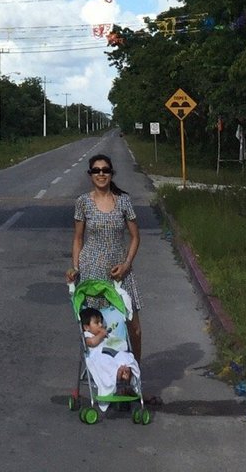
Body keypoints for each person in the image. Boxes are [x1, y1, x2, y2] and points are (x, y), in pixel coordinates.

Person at [65, 154, 143, 360]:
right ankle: (105, 377)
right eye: (96, 170)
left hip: (120, 273)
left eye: (105, 170)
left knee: (133, 328)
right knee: (99, 328)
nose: (101, 174)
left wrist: (127, 264)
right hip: (92, 272)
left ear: (111, 173)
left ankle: (135, 379)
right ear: (90, 175)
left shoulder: (124, 201)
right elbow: (78, 239)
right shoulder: (83, 202)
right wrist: (75, 267)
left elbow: (135, 237)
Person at [79, 306, 141, 399]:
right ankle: (119, 375)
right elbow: (92, 343)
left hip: (111, 353)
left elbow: (116, 344)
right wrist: (101, 335)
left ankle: (125, 371)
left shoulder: (105, 334)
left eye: (101, 322)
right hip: (98, 355)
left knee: (126, 356)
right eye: (97, 323)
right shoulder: (87, 335)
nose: (100, 325)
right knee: (105, 362)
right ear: (86, 327)